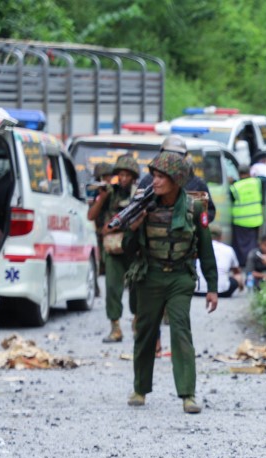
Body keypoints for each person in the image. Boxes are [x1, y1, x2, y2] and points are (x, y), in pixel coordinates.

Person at [123, 151, 219, 414]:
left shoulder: (195, 207)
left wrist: (212, 287)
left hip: (180, 277)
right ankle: (140, 389)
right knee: (145, 332)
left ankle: (188, 394)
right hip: (150, 276)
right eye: (153, 176)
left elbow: (206, 249)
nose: (154, 181)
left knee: (180, 331)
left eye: (161, 177)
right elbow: (127, 249)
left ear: (176, 180)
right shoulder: (143, 205)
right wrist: (133, 228)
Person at [89, 154, 140, 343]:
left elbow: (141, 216)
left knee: (136, 289)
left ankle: (137, 323)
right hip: (113, 249)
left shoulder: (138, 194)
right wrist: (101, 198)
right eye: (121, 175)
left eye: (128, 175)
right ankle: (115, 327)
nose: (124, 179)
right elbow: (91, 215)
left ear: (134, 177)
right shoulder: (110, 192)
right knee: (112, 288)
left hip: (134, 248)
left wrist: (115, 225)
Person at [138, 135, 216, 226]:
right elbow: (136, 206)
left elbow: (209, 212)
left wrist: (191, 219)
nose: (171, 158)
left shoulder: (197, 183)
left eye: (177, 154)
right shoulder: (149, 180)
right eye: (167, 153)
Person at [229, 163, 265, 264]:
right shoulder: (257, 182)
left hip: (241, 221)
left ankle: (244, 263)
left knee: (242, 246)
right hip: (256, 220)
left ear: (239, 174)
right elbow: (264, 179)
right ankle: (253, 262)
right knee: (253, 243)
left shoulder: (235, 187)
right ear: (249, 173)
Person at [195, 226, 242, 298]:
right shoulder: (228, 249)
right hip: (222, 292)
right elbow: (236, 271)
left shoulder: (198, 248)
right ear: (221, 237)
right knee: (238, 277)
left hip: (197, 290)